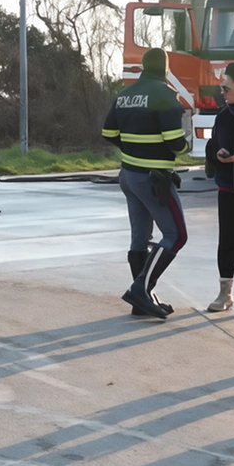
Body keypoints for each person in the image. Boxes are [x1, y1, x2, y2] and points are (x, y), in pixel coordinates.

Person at [101, 47, 190, 319]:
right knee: (176, 235)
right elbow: (175, 143)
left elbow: (108, 133)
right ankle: (141, 289)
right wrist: (185, 145)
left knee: (139, 238)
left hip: (128, 176)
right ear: (165, 68)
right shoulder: (166, 96)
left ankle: (140, 301)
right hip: (154, 179)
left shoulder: (125, 94)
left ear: (142, 67)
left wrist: (132, 149)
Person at [203, 62, 234, 312]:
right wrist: (218, 154)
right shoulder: (223, 115)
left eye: (226, 87)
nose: (222, 92)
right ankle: (225, 293)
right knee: (227, 240)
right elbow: (211, 146)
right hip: (228, 186)